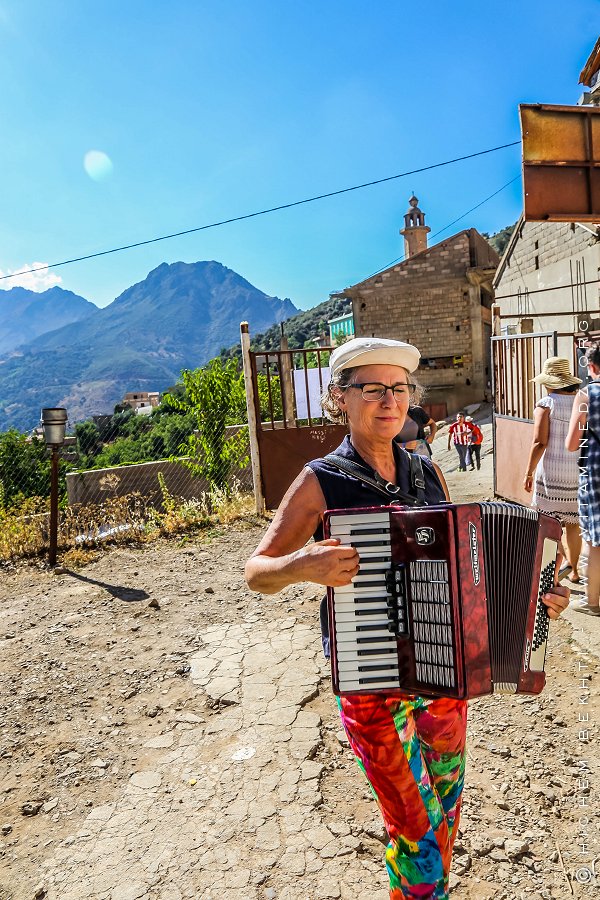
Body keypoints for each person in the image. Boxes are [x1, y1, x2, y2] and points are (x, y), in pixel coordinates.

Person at [245, 336, 569, 899]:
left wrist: (533, 595)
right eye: (371, 388)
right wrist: (302, 562)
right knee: (415, 831)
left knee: (446, 810)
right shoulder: (322, 480)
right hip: (374, 687)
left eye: (399, 388)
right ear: (340, 398)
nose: (389, 400)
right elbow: (257, 571)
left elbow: (468, 570)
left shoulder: (426, 472)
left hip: (445, 676)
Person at [523, 357, 582, 583]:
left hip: (552, 474)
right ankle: (574, 571)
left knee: (549, 526)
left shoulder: (546, 403)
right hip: (576, 473)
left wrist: (528, 472)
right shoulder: (582, 401)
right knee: (573, 525)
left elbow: (539, 441)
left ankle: (552, 574)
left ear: (550, 382)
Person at [566, 341, 600, 616]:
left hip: (596, 475)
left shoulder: (587, 395)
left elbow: (572, 442)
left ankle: (591, 601)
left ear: (591, 366)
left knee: (596, 542)